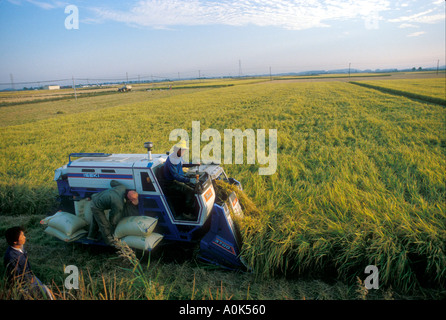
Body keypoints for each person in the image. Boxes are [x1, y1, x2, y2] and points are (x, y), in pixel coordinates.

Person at [3, 226, 55, 300]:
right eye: (22, 236)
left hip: (30, 276)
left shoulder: (19, 246)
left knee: (48, 292)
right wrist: (30, 280)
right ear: (14, 241)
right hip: (24, 284)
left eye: (23, 235)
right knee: (45, 294)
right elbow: (17, 277)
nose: (24, 237)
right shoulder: (12, 257)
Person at [87, 180, 139, 245]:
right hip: (96, 206)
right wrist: (114, 227)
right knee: (104, 224)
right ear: (129, 200)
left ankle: (91, 236)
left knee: (97, 221)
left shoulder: (122, 187)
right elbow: (113, 217)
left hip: (96, 197)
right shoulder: (119, 203)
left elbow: (112, 182)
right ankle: (109, 241)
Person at [159, 140, 199, 219]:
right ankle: (186, 213)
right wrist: (189, 180)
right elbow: (176, 176)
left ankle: (194, 209)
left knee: (193, 186)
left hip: (176, 180)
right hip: (170, 184)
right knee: (189, 191)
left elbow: (183, 164)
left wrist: (194, 163)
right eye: (183, 150)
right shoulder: (171, 160)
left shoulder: (178, 156)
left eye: (184, 150)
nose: (184, 152)